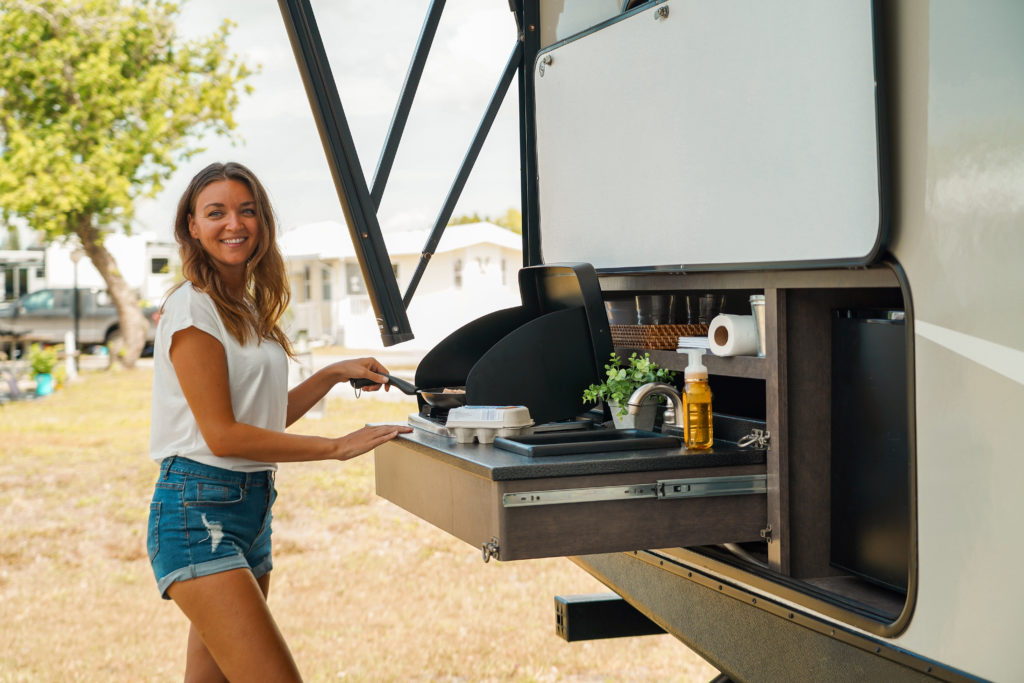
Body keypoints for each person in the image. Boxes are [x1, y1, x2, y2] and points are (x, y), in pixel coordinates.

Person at [146, 161, 411, 682]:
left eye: (247, 211)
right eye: (216, 212)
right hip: (199, 513)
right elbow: (222, 437)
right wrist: (336, 446)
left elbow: (262, 419)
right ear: (191, 228)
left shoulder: (242, 309)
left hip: (248, 510)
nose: (235, 224)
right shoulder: (193, 309)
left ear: (262, 223)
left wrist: (333, 373)